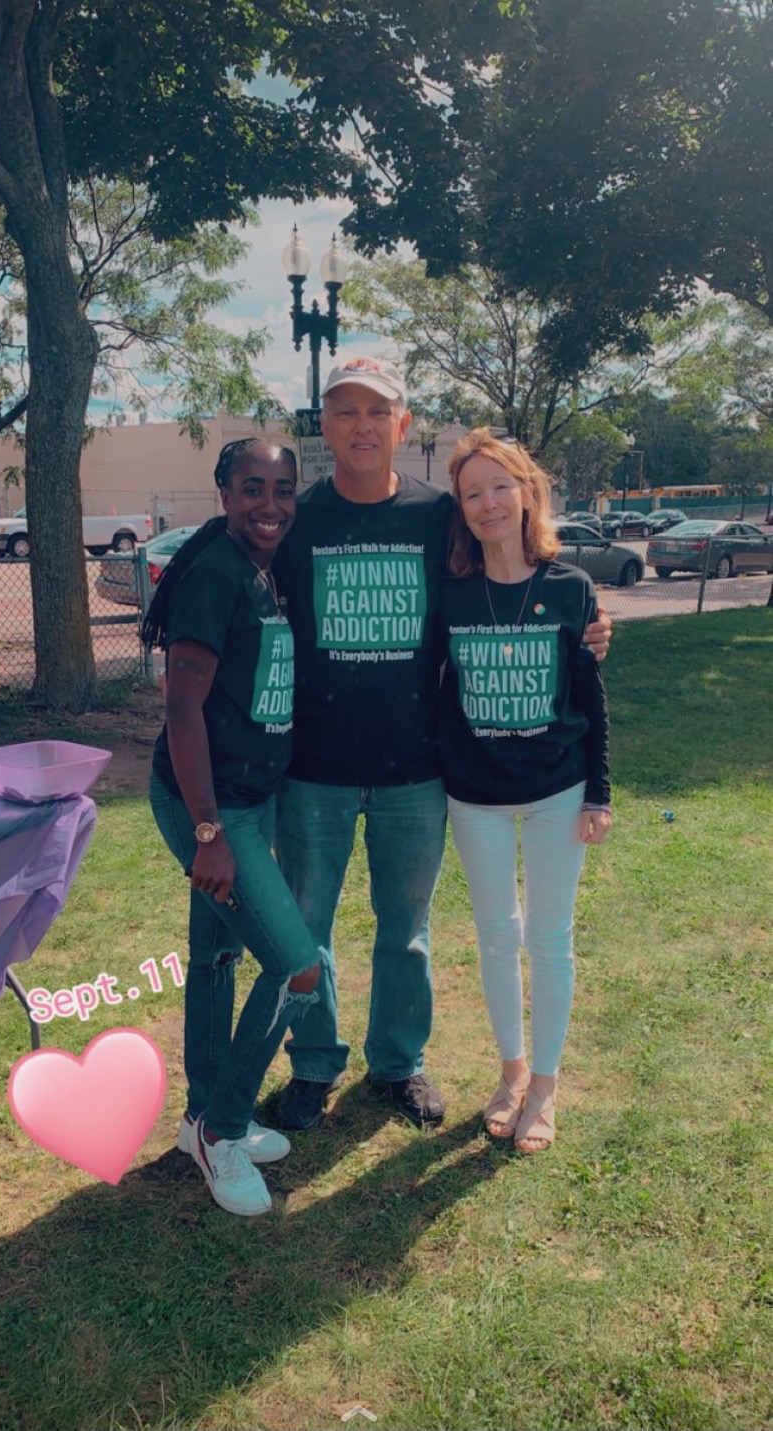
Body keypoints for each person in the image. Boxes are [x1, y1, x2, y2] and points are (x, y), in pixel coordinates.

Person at [270, 356, 613, 1133]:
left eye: (376, 411)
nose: (361, 425)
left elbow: (513, 567)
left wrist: (587, 625)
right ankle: (315, 1062)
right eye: (345, 410)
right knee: (306, 926)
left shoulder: (438, 516)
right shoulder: (300, 518)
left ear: (403, 424)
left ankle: (397, 1063)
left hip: (418, 769)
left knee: (407, 930)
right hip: (313, 768)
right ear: (324, 424)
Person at [143, 438, 323, 1216]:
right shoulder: (216, 575)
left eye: (284, 490)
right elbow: (181, 707)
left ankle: (195, 1118)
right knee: (296, 968)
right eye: (253, 487)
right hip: (209, 806)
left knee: (215, 958)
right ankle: (224, 1129)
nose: (270, 504)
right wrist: (209, 830)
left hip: (245, 798)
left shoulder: (260, 569)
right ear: (222, 491)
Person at [439, 429, 612, 1153]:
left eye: (499, 486)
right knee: (494, 934)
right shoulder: (448, 596)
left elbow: (590, 696)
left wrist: (598, 792)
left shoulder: (571, 589)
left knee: (548, 936)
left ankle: (545, 1084)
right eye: (472, 492)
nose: (488, 503)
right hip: (474, 792)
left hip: (557, 790)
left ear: (527, 492)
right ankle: (510, 1072)